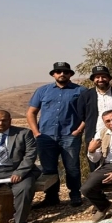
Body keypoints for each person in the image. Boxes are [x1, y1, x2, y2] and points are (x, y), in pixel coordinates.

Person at [27, 61, 86, 207]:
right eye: (58, 72)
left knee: (72, 167)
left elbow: (88, 113)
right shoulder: (43, 91)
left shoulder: (80, 91)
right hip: (45, 136)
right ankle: (52, 197)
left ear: (70, 74)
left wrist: (79, 130)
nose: (62, 74)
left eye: (65, 72)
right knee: (49, 168)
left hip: (69, 135)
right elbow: (31, 112)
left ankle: (75, 195)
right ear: (53, 74)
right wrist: (36, 132)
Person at [76, 65, 112, 171]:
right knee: (95, 166)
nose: (100, 79)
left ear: (109, 78)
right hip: (94, 136)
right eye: (97, 77)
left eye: (104, 77)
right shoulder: (86, 95)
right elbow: (82, 114)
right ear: (93, 79)